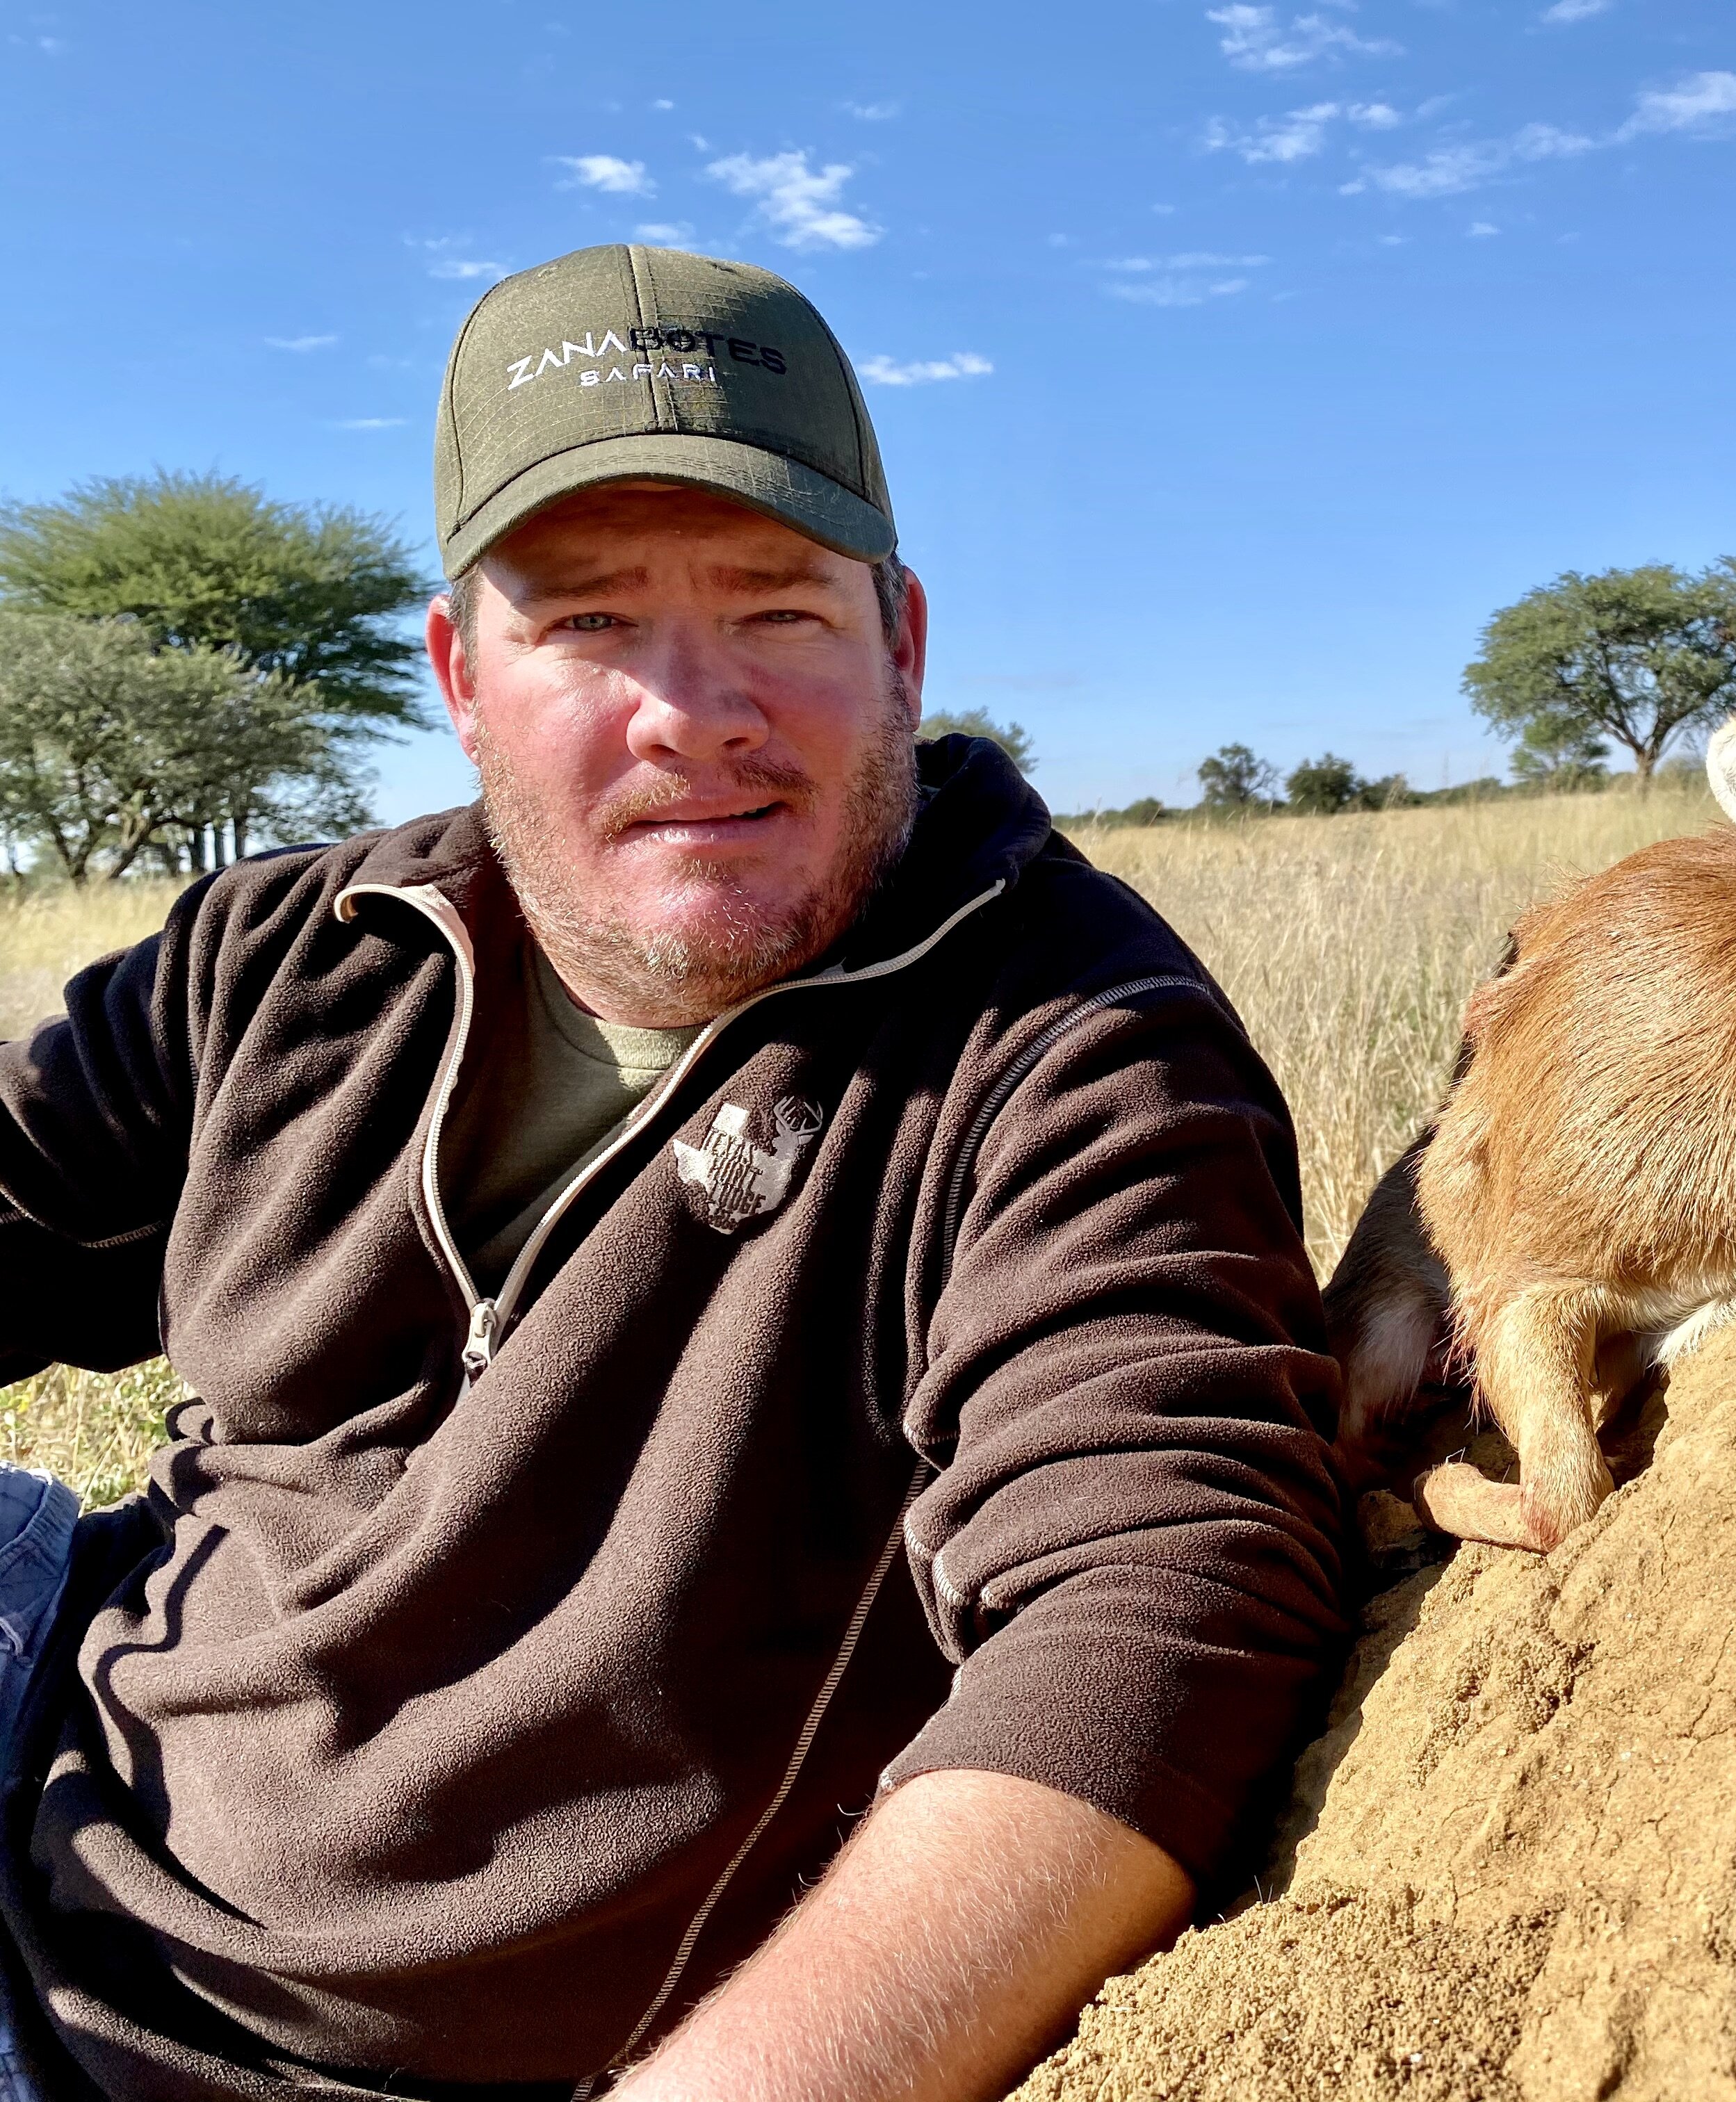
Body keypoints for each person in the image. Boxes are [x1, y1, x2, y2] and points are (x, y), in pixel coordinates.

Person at [0, 245, 1350, 2101]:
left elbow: (1153, 1610)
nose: (691, 706)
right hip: (56, 1726)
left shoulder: (1066, 1053)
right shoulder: (294, 948)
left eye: (778, 608)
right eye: (589, 621)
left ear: (904, 645)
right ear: (463, 675)